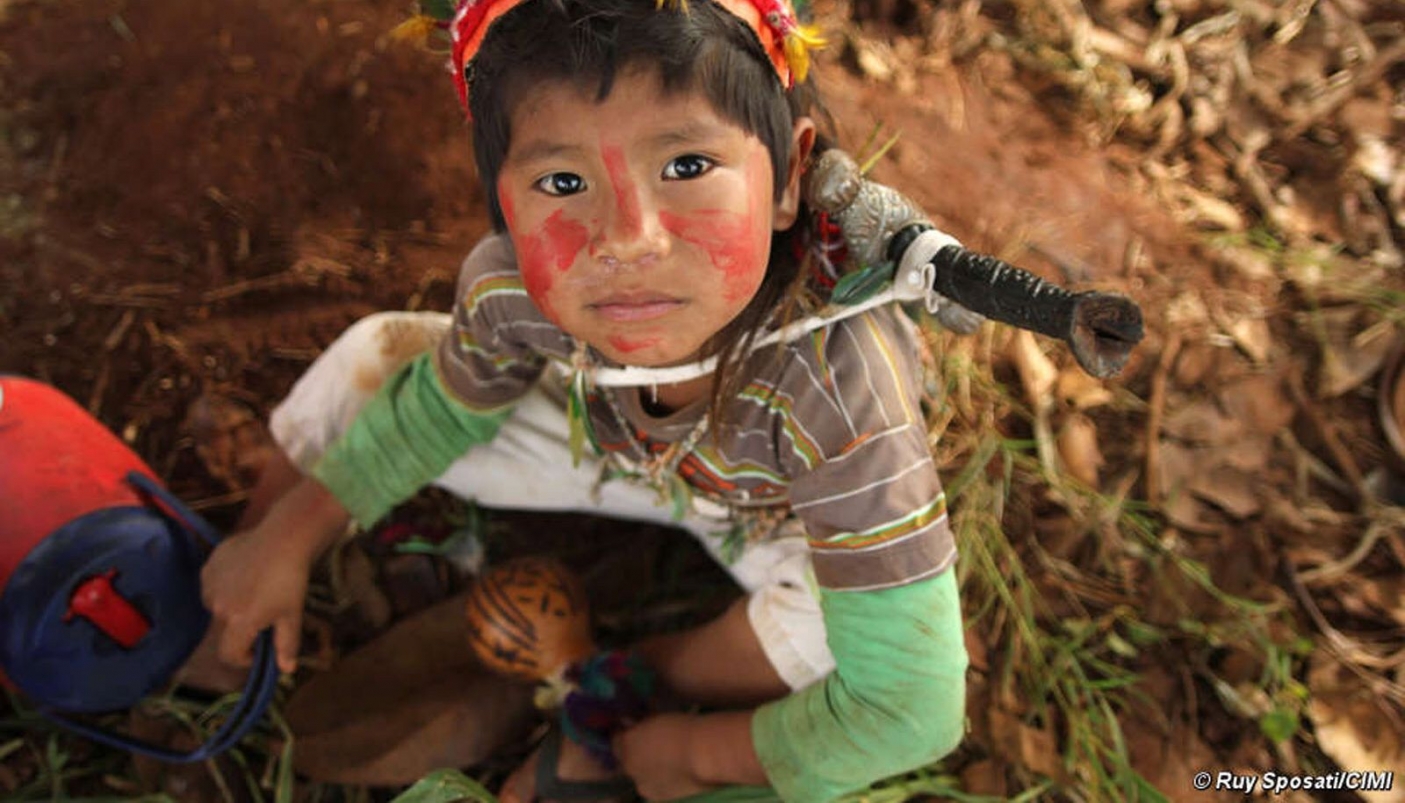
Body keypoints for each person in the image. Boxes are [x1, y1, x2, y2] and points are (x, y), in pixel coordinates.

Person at [199, 0, 969, 799]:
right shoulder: (510, 288)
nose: (627, 238)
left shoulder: (839, 380)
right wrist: (291, 534)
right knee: (374, 360)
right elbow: (441, 408)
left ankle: (639, 674)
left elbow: (912, 710)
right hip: (598, 444)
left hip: (773, 518)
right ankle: (237, 601)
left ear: (789, 178)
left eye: (686, 167)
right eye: (561, 181)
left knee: (841, 637)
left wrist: (697, 751)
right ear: (502, 204)